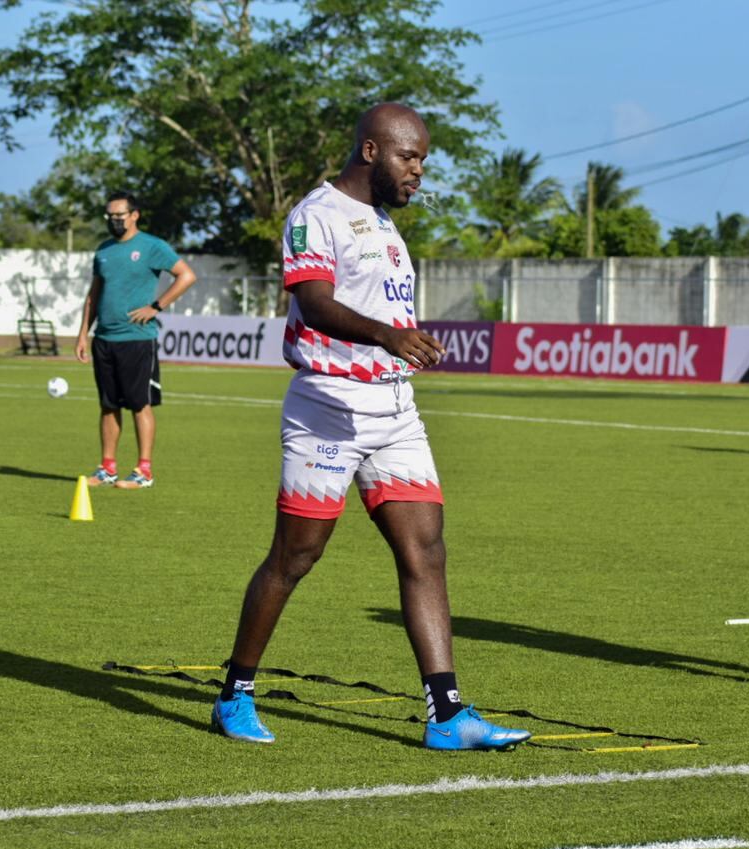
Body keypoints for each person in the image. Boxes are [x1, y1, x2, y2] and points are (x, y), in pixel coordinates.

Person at [209, 103, 531, 750]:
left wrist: (401, 344)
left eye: (422, 162)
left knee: (425, 551)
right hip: (328, 406)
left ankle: (447, 714)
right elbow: (315, 301)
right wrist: (389, 334)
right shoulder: (315, 216)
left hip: (394, 409)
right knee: (296, 555)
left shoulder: (384, 224)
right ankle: (234, 693)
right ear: (370, 152)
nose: (417, 172)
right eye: (409, 159)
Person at [75, 192, 196, 490]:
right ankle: (107, 468)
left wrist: (156, 307)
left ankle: (143, 471)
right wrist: (82, 334)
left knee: (139, 405)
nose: (114, 222)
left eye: (119, 216)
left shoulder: (152, 246)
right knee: (108, 406)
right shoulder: (103, 251)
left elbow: (186, 275)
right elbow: (94, 295)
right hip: (104, 339)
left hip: (137, 341)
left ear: (134, 215)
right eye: (110, 217)